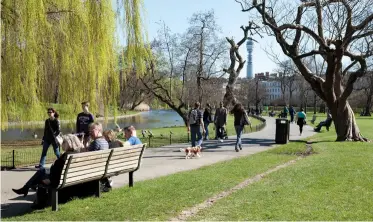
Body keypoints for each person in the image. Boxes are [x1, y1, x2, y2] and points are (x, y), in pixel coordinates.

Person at [12, 134, 84, 208]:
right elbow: (61, 171)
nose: (62, 144)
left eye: (64, 143)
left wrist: (50, 180)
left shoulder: (67, 156)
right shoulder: (77, 153)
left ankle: (34, 197)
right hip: (67, 178)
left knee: (40, 175)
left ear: (69, 143)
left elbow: (59, 171)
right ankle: (27, 189)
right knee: (42, 170)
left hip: (57, 180)